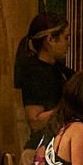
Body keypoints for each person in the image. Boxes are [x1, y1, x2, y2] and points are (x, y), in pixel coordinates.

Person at [12, 12, 72, 145]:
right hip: (42, 147)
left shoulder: (60, 70)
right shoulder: (34, 73)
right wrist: (68, 108)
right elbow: (35, 121)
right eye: (66, 38)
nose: (69, 43)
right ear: (50, 39)